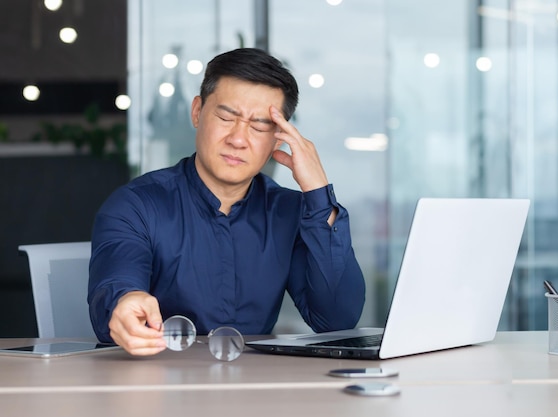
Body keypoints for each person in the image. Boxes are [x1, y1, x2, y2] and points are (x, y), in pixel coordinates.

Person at [88, 48, 366, 356]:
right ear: (197, 112)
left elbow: (337, 321)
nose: (238, 138)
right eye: (225, 117)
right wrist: (125, 302)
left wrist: (317, 192)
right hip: (160, 385)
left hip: (254, 390)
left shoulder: (289, 212)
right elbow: (116, 284)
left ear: (278, 137)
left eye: (259, 126)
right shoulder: (137, 205)